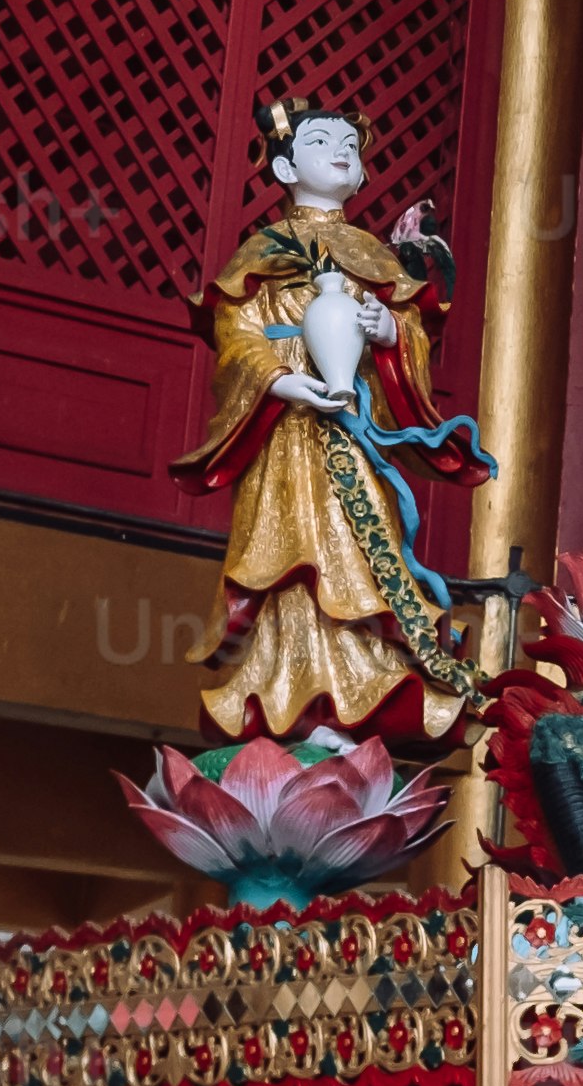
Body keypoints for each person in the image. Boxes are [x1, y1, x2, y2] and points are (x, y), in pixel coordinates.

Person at [173, 96, 485, 739]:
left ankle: (365, 686)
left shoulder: (373, 256)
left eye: (350, 146)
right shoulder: (262, 252)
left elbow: (412, 334)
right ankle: (284, 693)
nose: (341, 152)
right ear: (285, 169)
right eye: (321, 142)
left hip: (354, 425)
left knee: (357, 550)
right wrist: (280, 380)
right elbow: (236, 334)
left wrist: (390, 331)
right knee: (289, 552)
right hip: (285, 431)